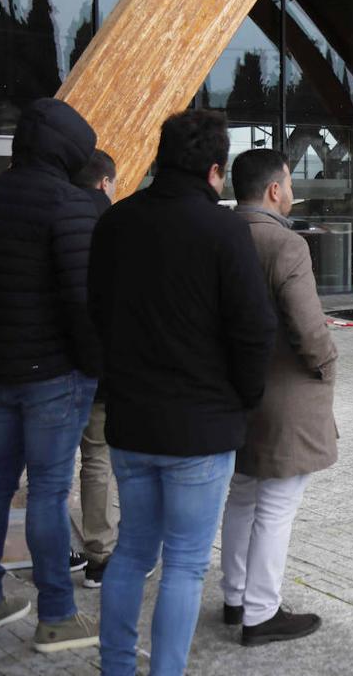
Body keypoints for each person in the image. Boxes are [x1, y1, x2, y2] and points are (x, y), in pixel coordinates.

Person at [88, 110, 276, 675]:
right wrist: (244, 396)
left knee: (131, 553)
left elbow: (96, 310)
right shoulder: (224, 232)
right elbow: (254, 327)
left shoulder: (116, 223)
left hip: (132, 422)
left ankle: (117, 667)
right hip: (202, 427)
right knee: (186, 566)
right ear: (215, 171)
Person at [0, 97, 101, 653]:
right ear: (67, 152)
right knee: (47, 490)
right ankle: (58, 616)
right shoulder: (69, 205)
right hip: (55, 374)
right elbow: (82, 301)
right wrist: (98, 367)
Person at [219, 149, 338, 646]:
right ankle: (261, 612)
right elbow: (308, 328)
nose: (291, 191)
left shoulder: (220, 236)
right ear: (274, 190)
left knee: (243, 492)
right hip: (285, 393)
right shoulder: (286, 246)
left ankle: (234, 596)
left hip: (232, 391)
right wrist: (327, 365)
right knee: (278, 503)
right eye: (289, 183)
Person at [71, 149, 119, 587]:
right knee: (100, 457)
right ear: (105, 182)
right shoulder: (119, 223)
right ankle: (102, 555)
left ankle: (68, 551)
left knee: (52, 464)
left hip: (54, 363)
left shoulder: (54, 215)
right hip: (107, 364)